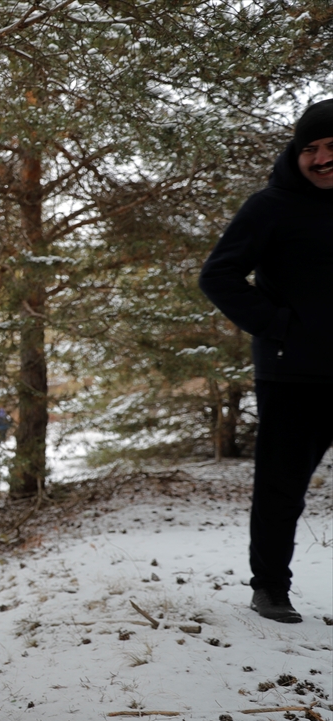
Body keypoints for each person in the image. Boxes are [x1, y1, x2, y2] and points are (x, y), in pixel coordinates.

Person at [199, 98, 333, 624]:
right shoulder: (271, 206)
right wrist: (280, 326)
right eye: (311, 148)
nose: (321, 158)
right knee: (282, 489)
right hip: (294, 373)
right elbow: (218, 275)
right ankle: (271, 588)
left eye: (331, 147)